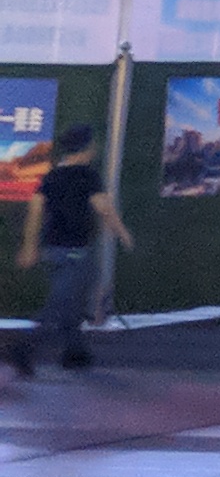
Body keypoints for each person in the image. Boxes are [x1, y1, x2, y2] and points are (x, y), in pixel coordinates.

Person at [10, 123, 122, 374]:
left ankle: (75, 353)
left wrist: (30, 246)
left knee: (69, 300)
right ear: (86, 147)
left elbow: (36, 211)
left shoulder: (51, 176)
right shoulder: (88, 176)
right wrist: (123, 233)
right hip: (76, 251)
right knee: (61, 303)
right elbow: (103, 208)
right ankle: (25, 348)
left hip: (54, 250)